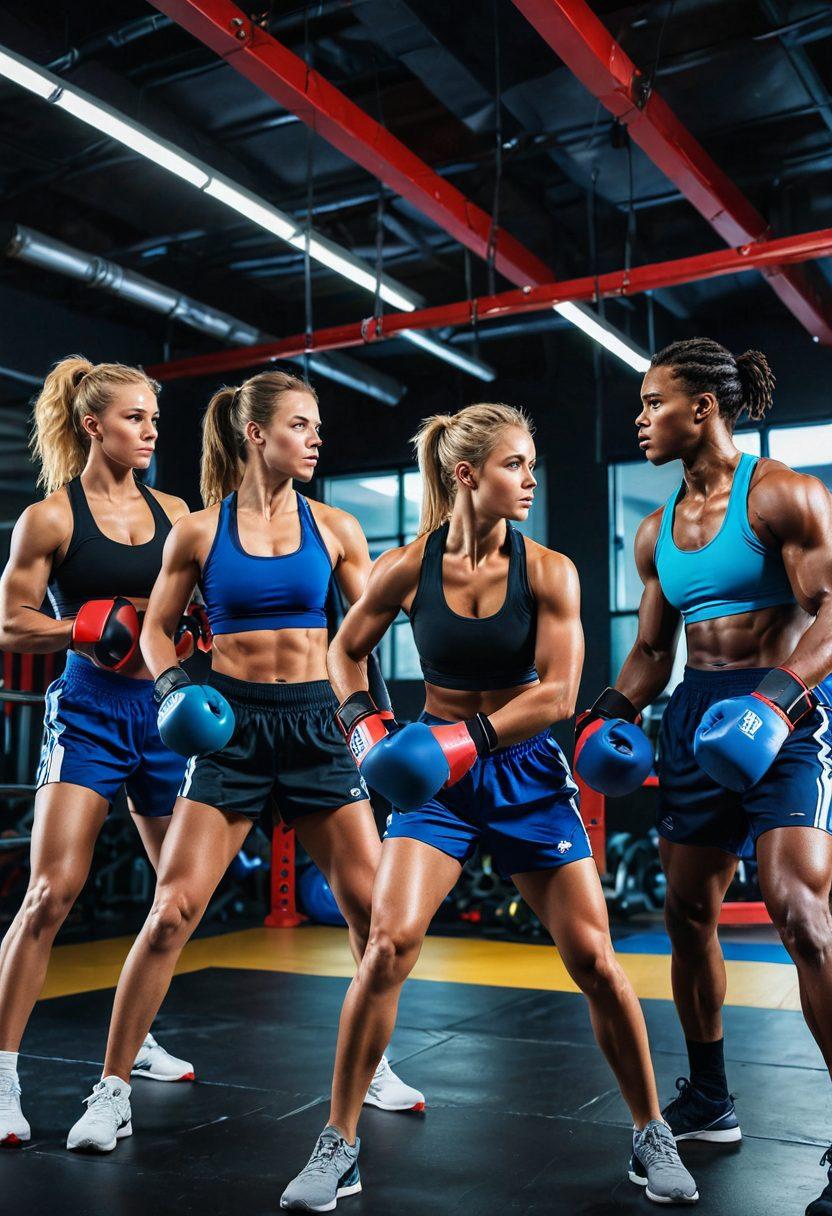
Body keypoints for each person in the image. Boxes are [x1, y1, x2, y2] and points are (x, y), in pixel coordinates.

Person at [281, 402, 699, 1211]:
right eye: (514, 465)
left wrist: (459, 740)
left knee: (595, 962)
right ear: (466, 475)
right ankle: (339, 1142)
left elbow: (558, 695)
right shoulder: (410, 565)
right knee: (389, 945)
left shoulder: (550, 570)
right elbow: (343, 650)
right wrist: (365, 727)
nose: (530, 480)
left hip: (525, 773)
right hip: (437, 782)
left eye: (532, 464)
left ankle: (653, 1134)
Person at [65, 369, 423, 1153]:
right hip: (229, 728)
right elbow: (158, 629)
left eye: (317, 426)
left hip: (318, 728)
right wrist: (169, 691)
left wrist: (374, 723)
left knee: (376, 918)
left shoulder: (335, 528)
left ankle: (376, 1062)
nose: (316, 438)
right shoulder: (198, 530)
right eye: (300, 425)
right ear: (257, 434)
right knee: (171, 912)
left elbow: (365, 632)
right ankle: (112, 1089)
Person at [576, 338, 832, 1216]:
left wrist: (776, 699)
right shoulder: (657, 530)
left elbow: (831, 610)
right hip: (693, 716)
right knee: (686, 910)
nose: (641, 419)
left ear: (703, 408)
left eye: (654, 402)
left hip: (781, 716)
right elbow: (652, 651)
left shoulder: (781, 494)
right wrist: (606, 710)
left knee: (800, 911)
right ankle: (712, 1097)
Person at [0, 356, 197, 1147]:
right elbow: (12, 622)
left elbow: (196, 606)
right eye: (135, 418)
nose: (150, 431)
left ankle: (135, 1039)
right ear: (93, 425)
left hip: (163, 713)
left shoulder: (177, 510)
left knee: (175, 898)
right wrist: (87, 623)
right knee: (51, 893)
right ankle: (2, 1074)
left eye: (154, 418)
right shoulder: (50, 518)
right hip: (86, 710)